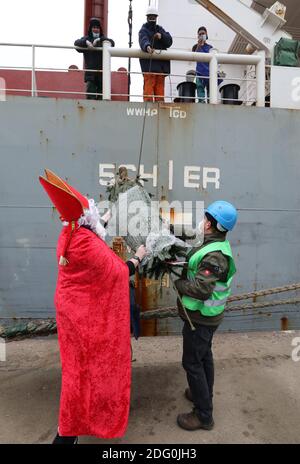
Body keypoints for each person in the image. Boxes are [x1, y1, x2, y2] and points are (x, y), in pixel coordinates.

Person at [39, 169, 147, 444]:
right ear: (87, 218)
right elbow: (118, 272)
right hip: (87, 321)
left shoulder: (70, 234)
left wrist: (107, 217)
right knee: (87, 373)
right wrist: (138, 257)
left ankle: (69, 430)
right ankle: (69, 432)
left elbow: (92, 232)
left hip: (71, 314)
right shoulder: (87, 243)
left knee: (75, 369)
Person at [175, 201, 238, 431]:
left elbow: (202, 290)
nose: (202, 222)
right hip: (206, 317)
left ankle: (203, 415)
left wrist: (180, 284)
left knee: (192, 362)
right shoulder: (214, 244)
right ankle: (202, 394)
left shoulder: (215, 256)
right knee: (204, 357)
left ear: (211, 224)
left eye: (205, 219)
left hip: (200, 319)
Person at [74, 17, 115, 100]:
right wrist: (86, 43)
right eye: (94, 27)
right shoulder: (86, 39)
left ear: (100, 29)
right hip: (90, 75)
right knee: (90, 97)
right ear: (91, 29)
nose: (96, 29)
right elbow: (76, 43)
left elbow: (112, 43)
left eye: (97, 27)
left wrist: (100, 40)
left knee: (101, 99)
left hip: (102, 75)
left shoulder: (104, 41)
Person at [139, 6, 173, 102]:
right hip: (150, 69)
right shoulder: (144, 30)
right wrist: (147, 46)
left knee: (160, 94)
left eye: (154, 17)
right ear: (147, 18)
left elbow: (169, 41)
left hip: (160, 69)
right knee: (148, 93)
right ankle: (149, 108)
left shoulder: (160, 29)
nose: (152, 19)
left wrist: (161, 36)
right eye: (150, 17)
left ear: (156, 18)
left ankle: (159, 108)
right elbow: (143, 39)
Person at [192, 27, 222, 103]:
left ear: (206, 35)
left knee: (210, 94)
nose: (202, 35)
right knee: (200, 92)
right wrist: (199, 45)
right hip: (199, 73)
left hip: (209, 73)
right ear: (198, 36)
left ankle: (210, 104)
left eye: (203, 33)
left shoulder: (210, 48)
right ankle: (202, 104)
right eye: (200, 34)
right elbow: (194, 56)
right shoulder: (195, 47)